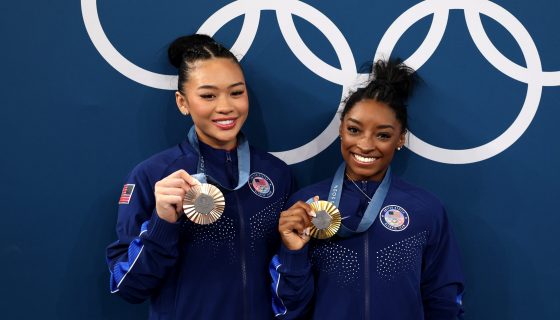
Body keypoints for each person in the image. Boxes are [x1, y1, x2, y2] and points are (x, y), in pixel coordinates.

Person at [106, 34, 293, 319]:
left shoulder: (276, 175)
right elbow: (126, 287)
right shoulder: (152, 175)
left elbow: (288, 276)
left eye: (236, 92)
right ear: (183, 102)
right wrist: (162, 223)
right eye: (208, 95)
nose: (226, 106)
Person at [270, 59, 464, 319]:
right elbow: (290, 308)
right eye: (354, 130)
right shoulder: (305, 205)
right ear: (341, 130)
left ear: (400, 138)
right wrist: (294, 252)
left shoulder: (426, 209)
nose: (365, 144)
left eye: (382, 135)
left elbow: (444, 300)